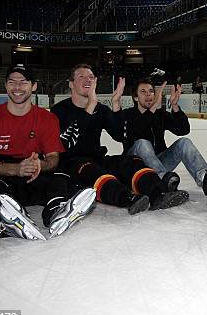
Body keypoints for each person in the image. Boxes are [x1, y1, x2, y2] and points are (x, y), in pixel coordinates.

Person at [0, 64, 96, 268]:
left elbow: (53, 158)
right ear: (5, 86)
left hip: (31, 174)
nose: (17, 86)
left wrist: (40, 164)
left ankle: (56, 211)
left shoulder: (47, 118)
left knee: (62, 177)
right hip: (0, 175)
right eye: (12, 81)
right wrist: (15, 169)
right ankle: (5, 215)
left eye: (23, 82)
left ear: (33, 87)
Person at [51, 64, 189, 215]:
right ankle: (127, 198)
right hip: (72, 163)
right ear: (71, 83)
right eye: (81, 77)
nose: (87, 80)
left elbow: (119, 135)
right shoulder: (59, 110)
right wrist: (90, 107)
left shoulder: (101, 109)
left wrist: (116, 104)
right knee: (93, 171)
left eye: (91, 77)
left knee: (130, 161)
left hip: (96, 158)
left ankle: (158, 193)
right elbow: (67, 144)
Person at [114, 77, 207, 196]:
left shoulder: (160, 115)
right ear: (136, 97)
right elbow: (136, 133)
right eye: (143, 91)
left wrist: (175, 106)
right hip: (136, 165)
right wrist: (153, 108)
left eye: (151, 91)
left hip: (159, 163)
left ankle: (204, 177)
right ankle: (162, 184)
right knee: (143, 143)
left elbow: (183, 130)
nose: (148, 94)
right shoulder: (128, 115)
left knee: (184, 142)